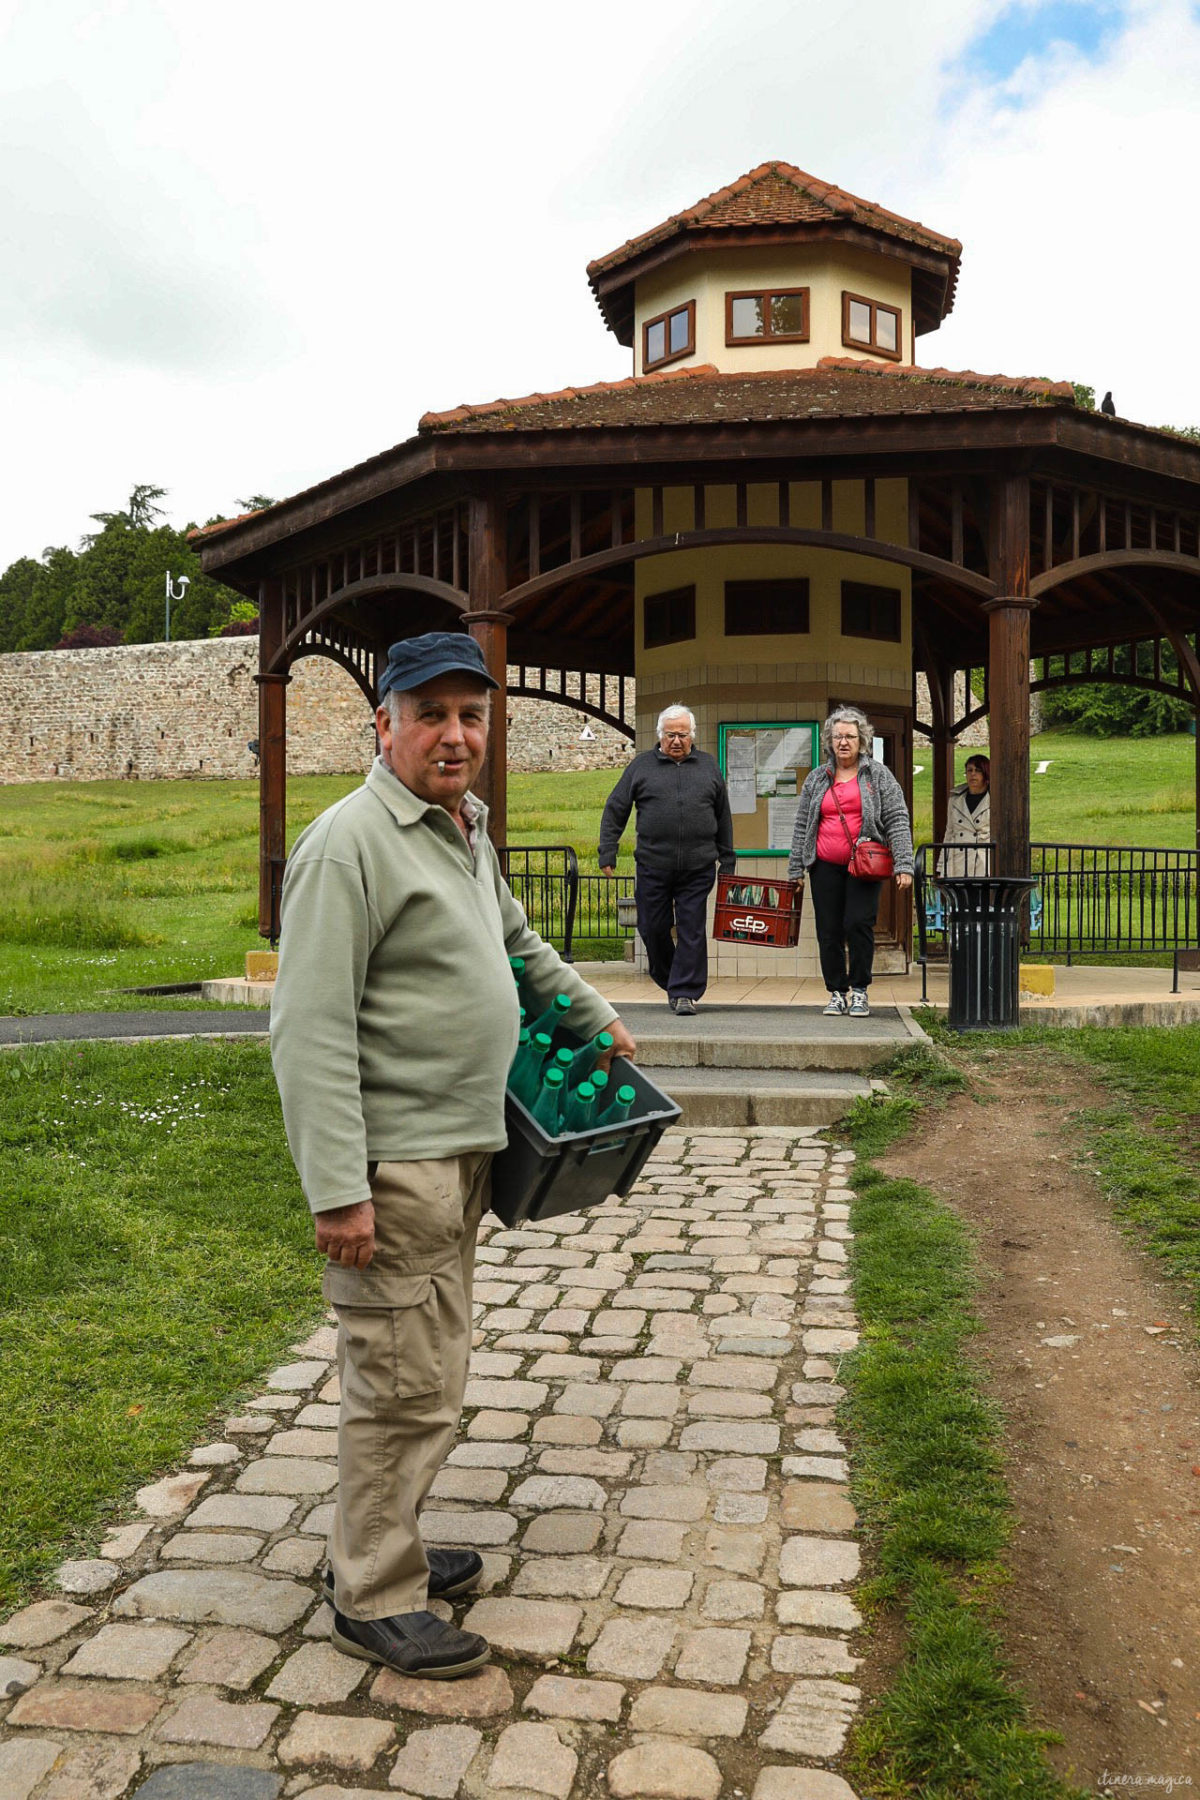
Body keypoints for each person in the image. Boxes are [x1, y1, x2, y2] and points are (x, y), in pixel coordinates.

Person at [270, 631, 636, 1682]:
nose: (455, 734)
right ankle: (374, 1593)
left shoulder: (460, 829)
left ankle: (388, 1545)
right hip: (397, 1167)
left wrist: (591, 1015)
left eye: (471, 715)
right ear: (381, 724)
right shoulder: (351, 846)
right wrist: (339, 1191)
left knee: (428, 1368)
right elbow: (309, 1031)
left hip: (461, 1157)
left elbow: (517, 946)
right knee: (401, 1382)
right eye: (430, 713)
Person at [598, 705, 735, 1015]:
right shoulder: (641, 767)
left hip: (698, 866)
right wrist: (608, 850)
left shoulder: (708, 766)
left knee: (691, 928)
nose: (676, 740)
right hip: (652, 865)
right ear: (660, 736)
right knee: (652, 927)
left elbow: (723, 816)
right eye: (670, 734)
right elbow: (616, 808)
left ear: (692, 736)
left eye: (682, 735)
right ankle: (672, 978)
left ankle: (685, 992)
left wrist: (727, 858)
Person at [788, 705, 914, 1019]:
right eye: (838, 736)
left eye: (850, 737)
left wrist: (904, 865)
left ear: (862, 741)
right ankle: (836, 992)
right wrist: (796, 869)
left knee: (858, 924)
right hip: (824, 866)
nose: (844, 742)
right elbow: (803, 824)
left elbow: (897, 819)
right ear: (829, 741)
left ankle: (859, 991)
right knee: (828, 930)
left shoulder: (878, 775)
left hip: (865, 866)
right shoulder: (818, 778)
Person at [939, 754, 991, 877]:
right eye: (969, 770)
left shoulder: (995, 799)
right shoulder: (955, 799)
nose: (973, 774)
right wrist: (940, 865)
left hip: (983, 864)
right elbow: (949, 832)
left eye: (978, 770)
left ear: (986, 773)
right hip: (958, 862)